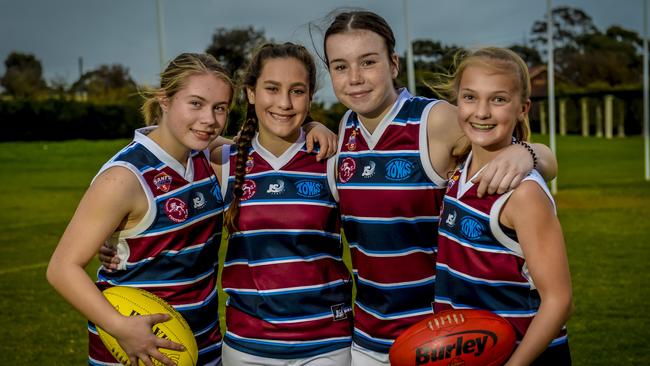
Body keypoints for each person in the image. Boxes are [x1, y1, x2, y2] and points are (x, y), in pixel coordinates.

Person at [320, 10, 559, 365]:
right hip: (367, 336)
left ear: (394, 63)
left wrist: (528, 152)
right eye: (340, 66)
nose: (355, 78)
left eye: (368, 62)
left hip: (439, 339)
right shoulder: (346, 126)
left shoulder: (434, 119)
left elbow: (536, 158)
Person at [47, 53, 234, 366]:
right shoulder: (124, 178)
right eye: (196, 103)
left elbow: (270, 146)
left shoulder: (204, 156)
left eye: (220, 108)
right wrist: (122, 328)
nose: (209, 119)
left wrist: (311, 126)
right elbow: (62, 269)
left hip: (204, 345)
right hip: (134, 351)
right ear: (164, 100)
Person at [432, 47, 572, 365]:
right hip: (472, 354)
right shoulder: (460, 160)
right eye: (470, 97)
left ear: (523, 108)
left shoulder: (523, 194)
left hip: (523, 355)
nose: (481, 112)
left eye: (498, 99)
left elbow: (560, 301)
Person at [216, 42, 353, 365]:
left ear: (310, 96)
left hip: (325, 345)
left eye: (297, 91)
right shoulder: (224, 161)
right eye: (272, 89)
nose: (284, 103)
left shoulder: (331, 159)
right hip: (247, 346)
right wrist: (117, 240)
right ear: (250, 92)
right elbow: (169, 150)